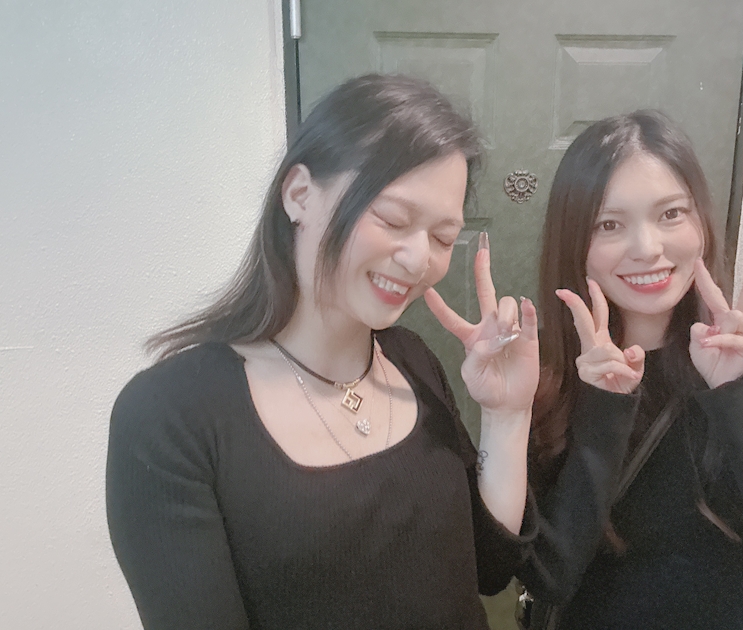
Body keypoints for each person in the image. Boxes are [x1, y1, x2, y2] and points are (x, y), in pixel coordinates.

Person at [106, 74, 541, 630]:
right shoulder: (171, 416)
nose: (419, 260)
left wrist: (507, 415)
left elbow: (490, 568)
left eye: (441, 237)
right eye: (393, 219)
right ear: (299, 195)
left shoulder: (413, 361)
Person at [518, 110, 743, 629]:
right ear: (575, 244)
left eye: (670, 214)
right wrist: (602, 411)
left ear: (701, 223)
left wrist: (737, 395)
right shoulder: (546, 379)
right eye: (609, 224)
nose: (647, 248)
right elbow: (549, 578)